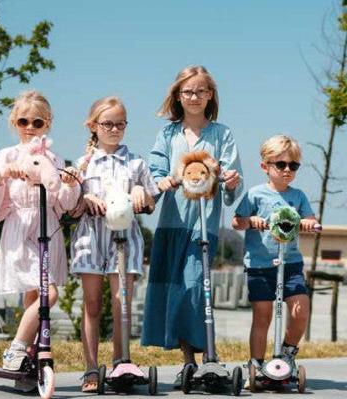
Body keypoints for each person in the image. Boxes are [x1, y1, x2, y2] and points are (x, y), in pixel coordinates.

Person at [141, 65, 243, 387]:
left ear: (210, 95)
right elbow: (154, 172)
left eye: (201, 91)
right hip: (173, 223)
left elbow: (232, 183)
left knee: (197, 286)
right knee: (178, 289)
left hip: (204, 225)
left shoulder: (222, 134)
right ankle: (190, 361)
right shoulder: (168, 134)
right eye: (188, 91)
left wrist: (230, 180)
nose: (194, 97)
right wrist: (163, 181)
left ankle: (207, 357)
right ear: (178, 96)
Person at [0, 90, 80, 371]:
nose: (30, 128)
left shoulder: (55, 159)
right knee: (49, 293)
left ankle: (30, 351)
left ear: (48, 123)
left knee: (35, 295)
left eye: (37, 122)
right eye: (23, 122)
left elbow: (65, 202)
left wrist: (70, 183)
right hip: (20, 227)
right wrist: (3, 174)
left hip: (48, 228)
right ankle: (16, 349)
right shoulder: (6, 156)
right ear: (14, 123)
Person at [70, 96, 159, 393]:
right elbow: (69, 206)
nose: (115, 129)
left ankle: (122, 365)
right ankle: (91, 368)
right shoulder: (82, 164)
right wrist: (83, 199)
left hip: (125, 238)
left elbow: (149, 204)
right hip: (91, 237)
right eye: (108, 123)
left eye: (120, 124)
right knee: (93, 304)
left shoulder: (136, 162)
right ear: (93, 126)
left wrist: (138, 192)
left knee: (122, 304)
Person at [232, 134, 318, 387]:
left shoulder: (298, 196)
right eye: (280, 165)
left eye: (293, 165)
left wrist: (308, 223)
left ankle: (287, 355)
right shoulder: (255, 195)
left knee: (300, 309)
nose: (287, 170)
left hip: (290, 263)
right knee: (263, 315)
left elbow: (311, 220)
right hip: (260, 265)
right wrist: (252, 221)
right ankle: (256, 364)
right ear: (265, 167)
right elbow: (236, 222)